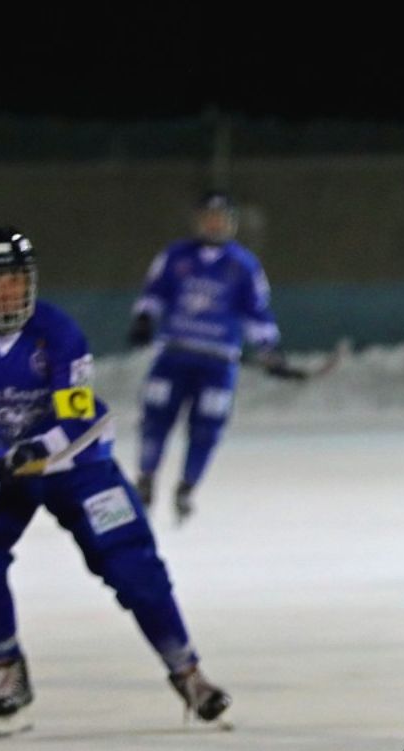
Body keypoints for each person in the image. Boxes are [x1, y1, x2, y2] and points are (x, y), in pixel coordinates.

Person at [0, 228, 230, 732]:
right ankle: (7, 670)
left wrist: (36, 449)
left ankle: (188, 673)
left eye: (15, 280)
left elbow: (78, 416)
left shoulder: (58, 333)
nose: (6, 293)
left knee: (135, 567)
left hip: (74, 464)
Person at [127, 190, 303, 523]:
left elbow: (257, 313)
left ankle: (187, 487)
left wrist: (269, 349)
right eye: (208, 217)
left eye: (220, 218)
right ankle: (146, 477)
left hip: (218, 363)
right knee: (155, 419)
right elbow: (154, 293)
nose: (213, 223)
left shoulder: (243, 265)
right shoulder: (176, 256)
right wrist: (144, 318)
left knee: (207, 427)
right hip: (174, 356)